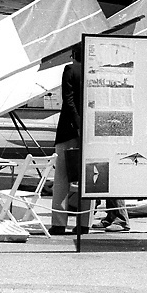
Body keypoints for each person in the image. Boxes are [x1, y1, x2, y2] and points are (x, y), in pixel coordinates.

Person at [50, 45, 91, 235]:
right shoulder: (94, 71)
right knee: (89, 178)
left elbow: (68, 99)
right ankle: (84, 224)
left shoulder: (70, 70)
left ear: (74, 55)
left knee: (62, 179)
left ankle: (59, 223)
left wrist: (77, 124)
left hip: (68, 131)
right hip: (90, 133)